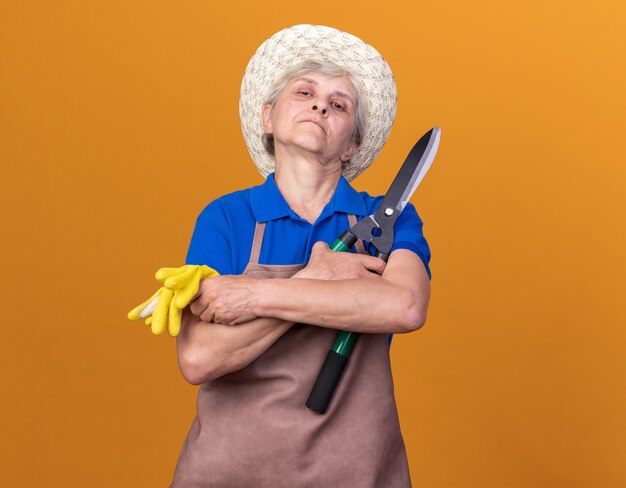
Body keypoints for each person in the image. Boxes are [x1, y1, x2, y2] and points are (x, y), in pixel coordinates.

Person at [170, 25, 432, 488]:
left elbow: (405, 306)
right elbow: (198, 358)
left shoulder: (387, 219)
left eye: (339, 104)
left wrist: (253, 296)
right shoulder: (227, 217)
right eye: (305, 92)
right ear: (268, 118)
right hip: (229, 474)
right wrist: (314, 278)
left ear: (351, 144)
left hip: (358, 473)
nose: (320, 105)